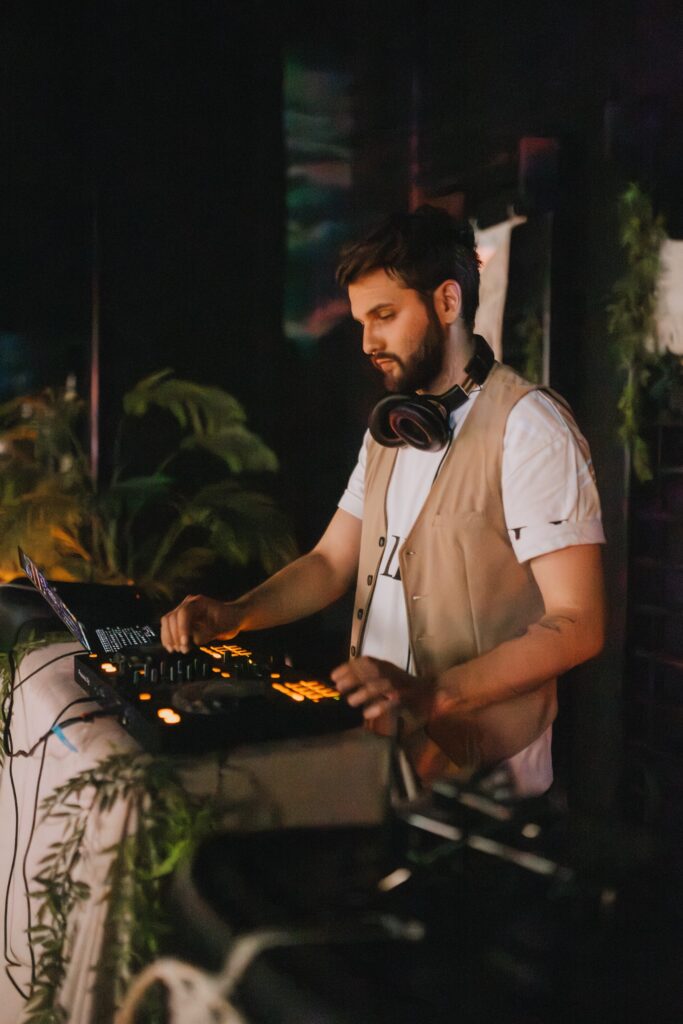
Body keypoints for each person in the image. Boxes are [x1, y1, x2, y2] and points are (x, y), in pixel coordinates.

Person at [161, 205, 606, 797]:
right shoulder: (392, 428)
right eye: (361, 322)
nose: (369, 342)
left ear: (447, 301)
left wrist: (433, 694)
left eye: (385, 316)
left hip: (484, 780)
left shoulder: (528, 427)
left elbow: (579, 623)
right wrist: (235, 614)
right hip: (382, 756)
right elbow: (329, 563)